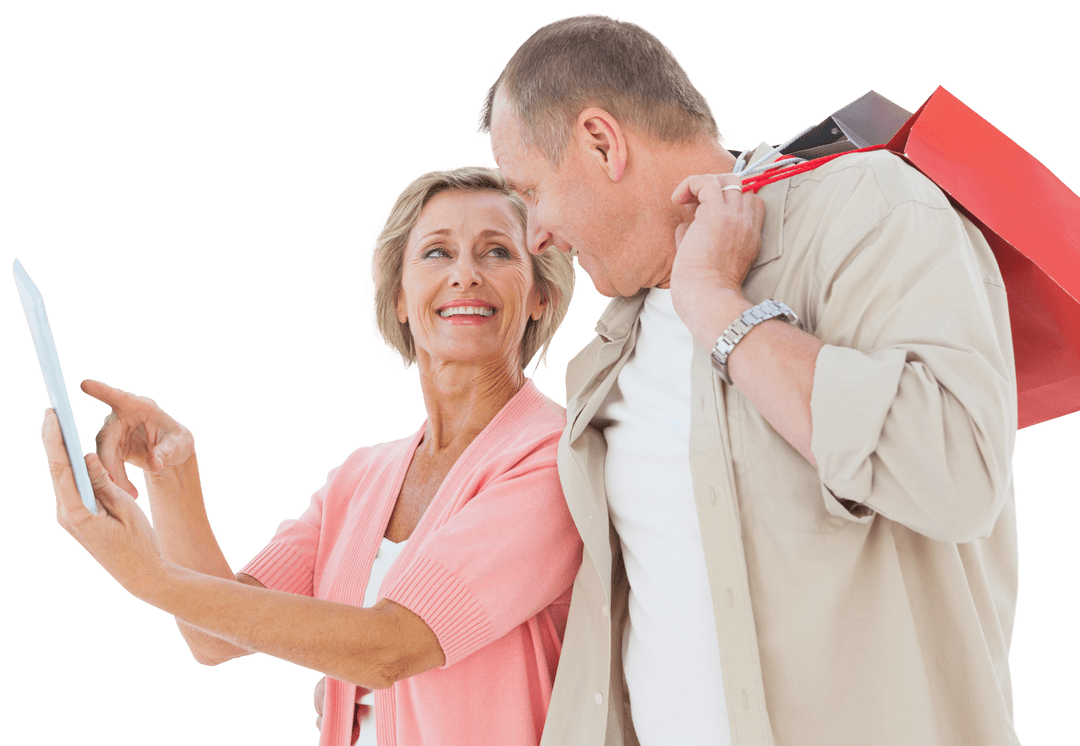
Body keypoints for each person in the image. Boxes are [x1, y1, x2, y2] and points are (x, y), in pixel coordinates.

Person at [477, 14, 1020, 746]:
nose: (534, 234)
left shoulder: (868, 207)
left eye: (531, 191)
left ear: (602, 143)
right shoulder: (607, 349)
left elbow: (956, 474)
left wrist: (718, 307)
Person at [40, 165, 581, 746]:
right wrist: (173, 477)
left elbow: (392, 647)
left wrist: (146, 577)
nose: (465, 275)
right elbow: (216, 636)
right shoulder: (362, 477)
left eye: (497, 252)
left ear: (539, 296)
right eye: (436, 253)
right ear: (399, 298)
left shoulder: (551, 459)